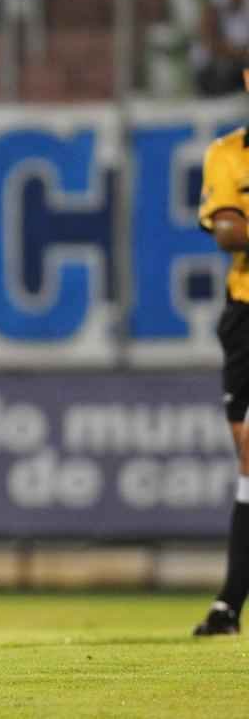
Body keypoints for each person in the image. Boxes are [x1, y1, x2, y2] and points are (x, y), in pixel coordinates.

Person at [195, 72, 249, 634]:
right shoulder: (228, 154)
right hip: (245, 316)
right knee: (246, 449)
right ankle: (230, 602)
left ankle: (229, 602)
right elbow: (228, 229)